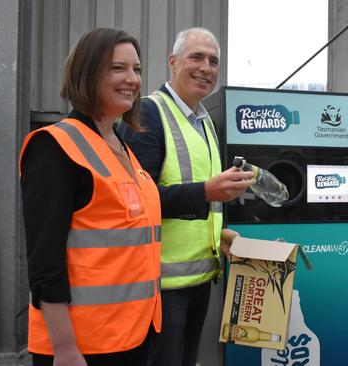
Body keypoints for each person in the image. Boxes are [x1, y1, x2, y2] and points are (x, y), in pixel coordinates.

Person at [20, 28, 161, 365]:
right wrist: (64, 348)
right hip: (82, 347)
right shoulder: (54, 146)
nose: (132, 79)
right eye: (118, 68)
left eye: (137, 69)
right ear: (87, 73)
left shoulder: (121, 145)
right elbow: (44, 262)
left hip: (132, 335)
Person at [117, 27, 254, 366]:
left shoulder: (203, 121)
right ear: (172, 62)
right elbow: (134, 201)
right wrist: (206, 192)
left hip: (199, 280)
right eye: (196, 57)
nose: (206, 68)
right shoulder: (149, 112)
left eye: (214, 61)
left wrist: (218, 235)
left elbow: (194, 202)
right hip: (160, 288)